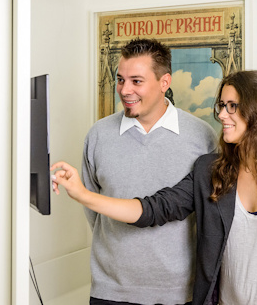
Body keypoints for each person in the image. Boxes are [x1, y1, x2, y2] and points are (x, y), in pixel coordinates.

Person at [52, 70, 257, 304]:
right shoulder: (210, 171)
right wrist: (84, 195)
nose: (222, 115)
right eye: (222, 105)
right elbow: (155, 209)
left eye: (232, 106)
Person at [78, 38, 217, 305]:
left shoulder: (202, 137)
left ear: (164, 82)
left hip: (179, 293)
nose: (125, 90)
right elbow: (95, 211)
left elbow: (208, 212)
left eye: (136, 81)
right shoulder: (98, 135)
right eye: (120, 80)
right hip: (110, 291)